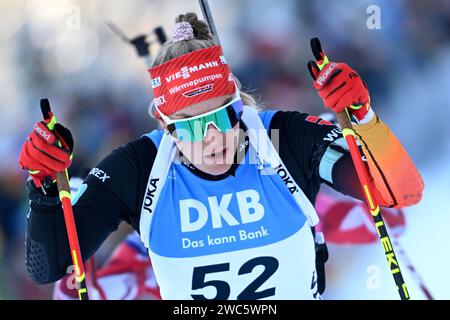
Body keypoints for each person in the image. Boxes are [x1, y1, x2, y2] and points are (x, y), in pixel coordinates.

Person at [19, 12, 423, 300]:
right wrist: (41, 185)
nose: (212, 138)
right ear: (164, 125)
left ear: (239, 104)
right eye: (191, 126)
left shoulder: (282, 137)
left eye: (224, 116)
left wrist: (363, 119)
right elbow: (49, 267)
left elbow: (400, 192)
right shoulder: (139, 168)